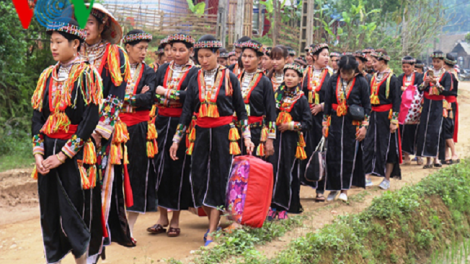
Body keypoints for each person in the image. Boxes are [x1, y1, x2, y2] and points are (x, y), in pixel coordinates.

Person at [169, 35, 254, 247]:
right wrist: (176, 139)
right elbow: (187, 111)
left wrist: (247, 136)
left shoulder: (230, 77)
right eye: (200, 56)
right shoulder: (194, 77)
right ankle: (212, 221)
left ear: (218, 55)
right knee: (197, 180)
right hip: (200, 135)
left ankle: (211, 229)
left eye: (208, 56)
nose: (204, 60)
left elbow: (241, 112)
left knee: (217, 178)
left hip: (223, 135)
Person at [32, 18, 103, 264]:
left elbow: (89, 120)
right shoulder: (47, 76)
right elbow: (38, 116)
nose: (53, 47)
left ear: (75, 44)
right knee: (49, 210)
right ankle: (53, 258)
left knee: (75, 210)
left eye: (58, 42)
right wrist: (39, 154)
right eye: (51, 42)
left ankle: (82, 260)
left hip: (76, 153)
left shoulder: (87, 75)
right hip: (48, 149)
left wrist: (62, 155)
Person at [79, 3, 135, 258]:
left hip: (101, 134)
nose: (84, 27)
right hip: (73, 132)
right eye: (81, 22)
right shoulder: (71, 50)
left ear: (102, 26)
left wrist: (100, 130)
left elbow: (116, 94)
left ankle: (95, 246)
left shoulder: (114, 53)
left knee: (99, 187)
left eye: (89, 22)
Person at [147, 33, 199, 238]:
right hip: (159, 123)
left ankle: (176, 220)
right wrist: (165, 92)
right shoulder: (162, 69)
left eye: (181, 50)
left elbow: (191, 96)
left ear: (190, 52)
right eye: (173, 50)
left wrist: (166, 92)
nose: (176, 54)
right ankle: (162, 218)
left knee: (177, 169)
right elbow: (151, 91)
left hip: (181, 125)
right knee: (157, 168)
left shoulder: (195, 72)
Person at [118, 30, 157, 242]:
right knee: (115, 174)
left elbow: (149, 98)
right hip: (117, 129)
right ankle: (113, 223)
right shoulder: (116, 71)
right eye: (140, 48)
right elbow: (109, 95)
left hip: (139, 129)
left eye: (146, 48)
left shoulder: (149, 72)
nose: (144, 52)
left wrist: (127, 98)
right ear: (128, 48)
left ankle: (130, 228)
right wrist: (136, 96)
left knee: (136, 176)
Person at [322, 55, 371, 202]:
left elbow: (367, 107)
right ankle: (333, 188)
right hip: (335, 122)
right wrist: (325, 124)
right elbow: (327, 103)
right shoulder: (332, 80)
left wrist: (364, 127)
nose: (345, 76)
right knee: (333, 155)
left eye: (348, 73)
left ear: (354, 71)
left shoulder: (362, 82)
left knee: (349, 156)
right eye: (343, 72)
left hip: (353, 124)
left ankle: (345, 189)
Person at [268, 63, 312, 220]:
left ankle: (284, 207)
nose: (289, 78)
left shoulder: (301, 99)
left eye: (293, 76)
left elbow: (308, 123)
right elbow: (270, 116)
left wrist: (291, 125)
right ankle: (271, 205)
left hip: (291, 141)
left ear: (300, 79)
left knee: (287, 171)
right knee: (273, 170)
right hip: (275, 138)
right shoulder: (276, 96)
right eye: (287, 75)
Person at [363, 49, 401, 190]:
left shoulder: (393, 79)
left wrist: (394, 120)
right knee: (369, 144)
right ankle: (367, 176)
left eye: (375, 61)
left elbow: (397, 100)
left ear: (383, 62)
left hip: (387, 116)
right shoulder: (373, 77)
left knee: (388, 146)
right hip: (374, 116)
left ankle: (386, 178)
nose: (372, 64)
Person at [301, 43, 331, 202]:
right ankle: (302, 181)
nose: (327, 58)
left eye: (328, 55)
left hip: (322, 118)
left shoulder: (332, 75)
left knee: (321, 151)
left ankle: (320, 189)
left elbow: (338, 98)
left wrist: (322, 106)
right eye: (324, 55)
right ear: (314, 57)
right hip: (306, 117)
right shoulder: (304, 73)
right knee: (304, 148)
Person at [237, 40, 277, 156]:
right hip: (236, 131)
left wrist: (270, 139)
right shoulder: (235, 79)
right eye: (244, 56)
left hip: (256, 131)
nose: (246, 60)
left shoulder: (265, 82)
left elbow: (271, 111)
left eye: (250, 56)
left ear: (259, 60)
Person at [416, 50, 452, 169]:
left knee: (436, 131)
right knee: (425, 130)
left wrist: (436, 83)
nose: (435, 64)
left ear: (443, 62)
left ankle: (436, 158)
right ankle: (428, 160)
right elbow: (420, 88)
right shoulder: (427, 73)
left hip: (438, 105)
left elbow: (446, 91)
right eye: (434, 61)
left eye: (438, 61)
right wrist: (425, 84)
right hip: (427, 104)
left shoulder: (446, 75)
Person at [398, 56, 423, 165]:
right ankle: (406, 155)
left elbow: (421, 89)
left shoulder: (419, 77)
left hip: (416, 110)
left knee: (417, 132)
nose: (406, 69)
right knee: (405, 132)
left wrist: (408, 89)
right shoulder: (400, 77)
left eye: (408, 67)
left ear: (413, 66)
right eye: (404, 67)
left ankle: (419, 155)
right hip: (404, 110)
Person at [442, 54, 459, 164]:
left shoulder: (448, 74)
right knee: (446, 129)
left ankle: (454, 153)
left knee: (447, 129)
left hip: (448, 104)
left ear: (444, 63)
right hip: (451, 102)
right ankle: (446, 155)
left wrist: (437, 88)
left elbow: (447, 90)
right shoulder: (454, 73)